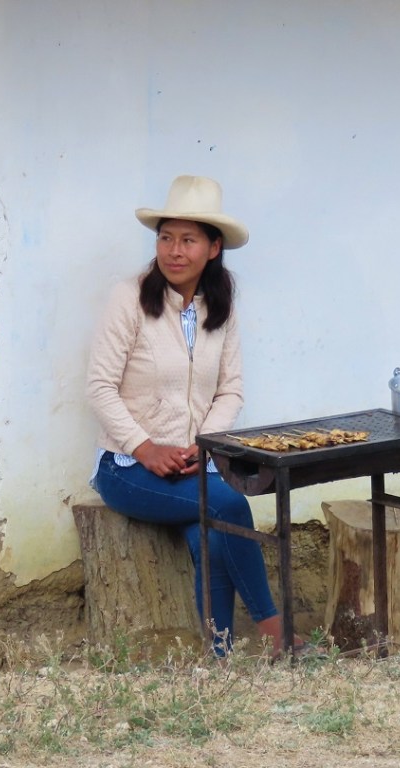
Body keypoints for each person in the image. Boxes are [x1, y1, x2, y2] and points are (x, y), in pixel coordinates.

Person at [86, 174, 290, 656]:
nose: (174, 251)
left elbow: (231, 389)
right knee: (230, 505)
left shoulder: (220, 306)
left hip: (193, 465)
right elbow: (99, 386)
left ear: (213, 248)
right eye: (166, 237)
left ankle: (217, 653)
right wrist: (144, 447)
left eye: (188, 240)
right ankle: (274, 630)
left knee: (212, 536)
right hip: (127, 468)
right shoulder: (130, 299)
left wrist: (206, 447)